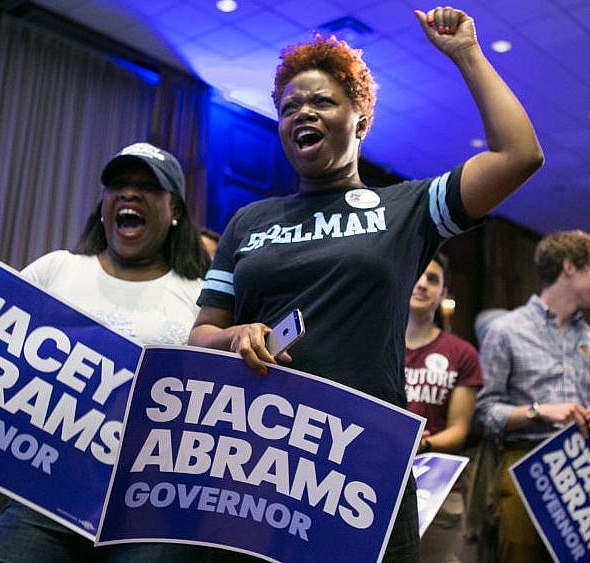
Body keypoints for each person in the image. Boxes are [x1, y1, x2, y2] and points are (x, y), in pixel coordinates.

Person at [189, 6, 543, 562]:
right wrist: (234, 336)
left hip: (359, 459)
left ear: (361, 117)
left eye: (322, 101)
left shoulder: (404, 208)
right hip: (253, 456)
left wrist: (467, 55)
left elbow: (519, 156)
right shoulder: (248, 222)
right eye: (289, 107)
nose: (302, 111)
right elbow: (201, 334)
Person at [0, 143, 210, 562]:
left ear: (175, 208)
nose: (129, 194)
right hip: (46, 500)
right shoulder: (57, 269)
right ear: (103, 205)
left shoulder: (197, 297)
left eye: (147, 186)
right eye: (118, 185)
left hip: (141, 511)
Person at [474, 229, 590, 563]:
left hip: (584, 468)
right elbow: (483, 415)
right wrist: (538, 411)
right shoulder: (506, 331)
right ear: (569, 267)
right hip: (523, 464)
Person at [404, 253, 482, 563]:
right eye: (418, 276)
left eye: (433, 280)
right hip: (381, 480)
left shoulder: (462, 353)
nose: (422, 285)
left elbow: (460, 430)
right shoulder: (380, 344)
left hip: (436, 487)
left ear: (444, 294)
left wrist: (420, 444)